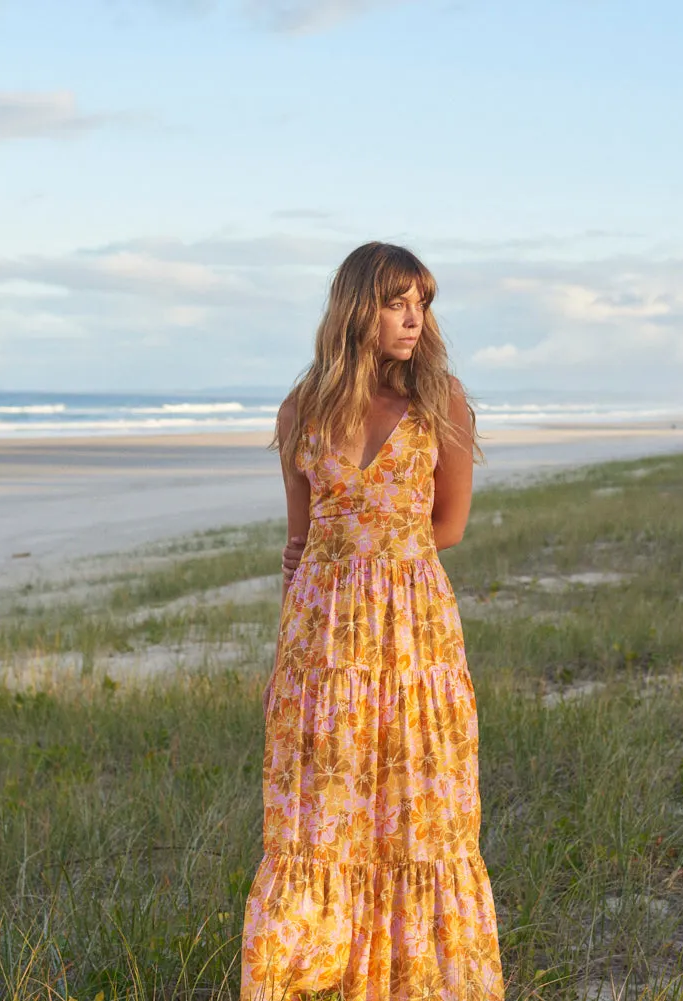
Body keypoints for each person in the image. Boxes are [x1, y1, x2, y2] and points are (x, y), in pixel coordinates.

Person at [241, 242, 504, 1000]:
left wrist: (376, 563)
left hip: (415, 643)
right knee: (318, 825)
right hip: (321, 653)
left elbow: (447, 524)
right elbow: (299, 544)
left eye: (422, 301)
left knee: (420, 821)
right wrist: (287, 658)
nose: (415, 317)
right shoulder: (301, 412)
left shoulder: (441, 402)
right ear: (360, 309)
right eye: (398, 301)